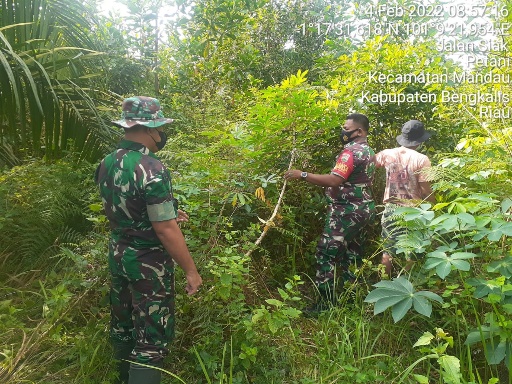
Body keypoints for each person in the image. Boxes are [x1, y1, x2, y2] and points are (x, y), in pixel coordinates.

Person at [94, 96, 202, 384]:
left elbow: (124, 206)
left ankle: (122, 377)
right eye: (159, 128)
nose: (161, 135)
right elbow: (164, 229)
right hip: (148, 265)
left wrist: (168, 215)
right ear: (148, 128)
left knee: (123, 325)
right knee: (152, 338)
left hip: (118, 256)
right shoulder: (151, 167)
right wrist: (191, 270)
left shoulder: (107, 162)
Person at [284, 113, 376, 313]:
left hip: (346, 211)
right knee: (353, 254)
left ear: (359, 131)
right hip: (364, 209)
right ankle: (352, 299)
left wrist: (303, 175)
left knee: (326, 254)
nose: (343, 131)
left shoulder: (350, 153)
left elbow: (335, 180)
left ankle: (325, 305)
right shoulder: (369, 151)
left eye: (346, 128)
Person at [375, 119, 435, 277]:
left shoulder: (387, 154)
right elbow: (426, 190)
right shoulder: (422, 159)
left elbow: (368, 164)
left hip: (391, 209)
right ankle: (405, 286)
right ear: (420, 140)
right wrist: (433, 209)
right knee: (413, 254)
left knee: (388, 252)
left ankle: (385, 287)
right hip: (413, 211)